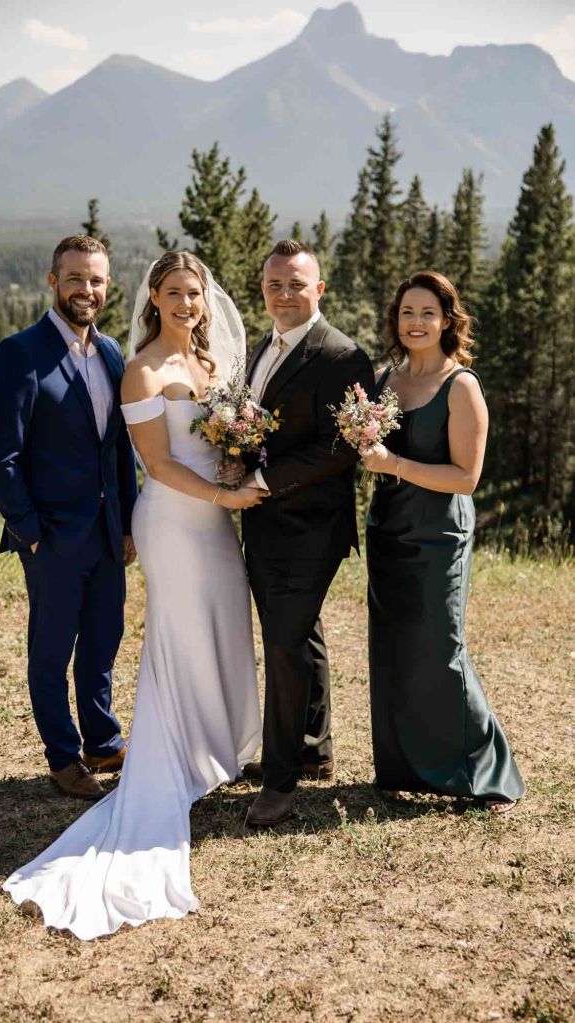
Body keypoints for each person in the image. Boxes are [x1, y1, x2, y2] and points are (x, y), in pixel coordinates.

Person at [2, 251, 264, 938]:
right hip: (161, 521)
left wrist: (239, 458)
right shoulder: (127, 365)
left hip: (179, 522)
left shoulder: (150, 357)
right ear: (154, 296)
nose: (184, 302)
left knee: (191, 630)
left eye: (194, 292)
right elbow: (151, 460)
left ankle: (196, 741)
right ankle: (83, 756)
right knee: (85, 640)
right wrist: (29, 533)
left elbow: (131, 453)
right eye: (173, 292)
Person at [361, 270, 525, 813]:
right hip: (387, 529)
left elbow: (465, 478)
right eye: (407, 312)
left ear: (448, 320)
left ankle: (487, 773)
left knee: (440, 649)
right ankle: (405, 767)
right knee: (394, 651)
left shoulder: (462, 386)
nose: (416, 322)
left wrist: (394, 464)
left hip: (438, 535)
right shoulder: (386, 380)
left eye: (427, 313)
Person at [0, 235, 138, 800]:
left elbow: (117, 447)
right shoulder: (20, 352)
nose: (86, 290)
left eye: (95, 280)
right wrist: (29, 533)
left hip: (105, 531)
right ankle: (63, 757)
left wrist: (126, 522)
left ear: (107, 285)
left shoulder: (114, 352)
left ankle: (102, 738)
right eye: (75, 278)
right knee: (52, 649)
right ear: (53, 280)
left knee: (103, 638)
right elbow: (0, 453)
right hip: (50, 536)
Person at [241, 239, 375, 827]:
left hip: (310, 527)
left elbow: (341, 449)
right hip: (265, 523)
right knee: (298, 634)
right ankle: (313, 749)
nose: (285, 294)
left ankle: (279, 780)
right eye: (275, 284)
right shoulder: (259, 348)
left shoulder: (342, 356)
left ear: (319, 289)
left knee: (284, 645)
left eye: (297, 284)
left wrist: (263, 479)